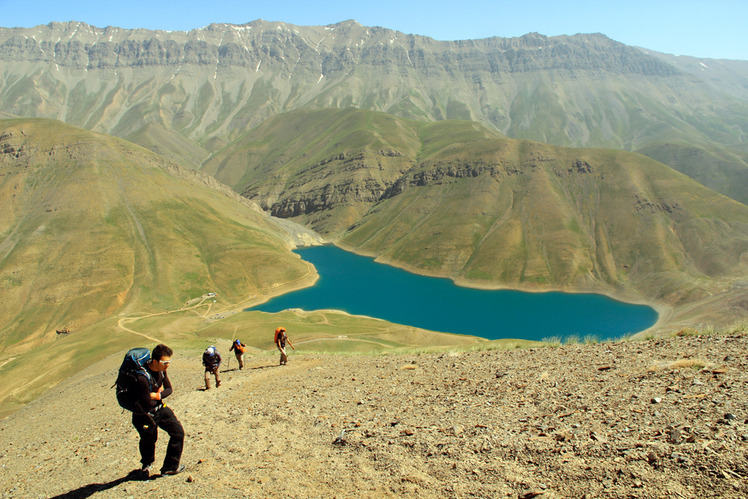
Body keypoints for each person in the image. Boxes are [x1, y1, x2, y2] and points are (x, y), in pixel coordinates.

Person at [131, 344, 185, 477]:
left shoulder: (161, 370)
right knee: (149, 440)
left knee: (178, 433)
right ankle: (146, 466)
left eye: (169, 361)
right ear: (155, 361)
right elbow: (147, 403)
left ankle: (170, 467)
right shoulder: (142, 378)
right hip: (144, 415)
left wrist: (157, 395)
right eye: (165, 362)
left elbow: (169, 390)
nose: (168, 365)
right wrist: (158, 393)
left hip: (160, 409)